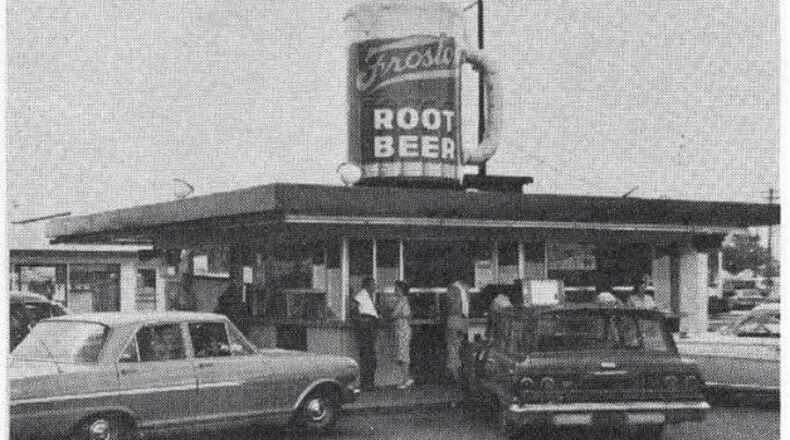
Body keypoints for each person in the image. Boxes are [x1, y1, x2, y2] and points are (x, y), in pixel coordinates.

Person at [352, 277, 380, 391]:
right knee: (367, 355)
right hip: (366, 325)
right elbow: (354, 306)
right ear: (367, 285)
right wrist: (360, 321)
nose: (375, 287)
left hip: (370, 324)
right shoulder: (362, 294)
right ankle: (366, 383)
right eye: (373, 285)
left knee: (369, 355)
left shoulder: (368, 296)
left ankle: (369, 382)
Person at [445, 280, 470, 383]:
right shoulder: (465, 287)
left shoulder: (451, 288)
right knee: (459, 346)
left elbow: (450, 305)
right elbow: (467, 304)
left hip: (454, 319)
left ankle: (454, 373)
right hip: (464, 319)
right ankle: (458, 372)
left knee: (452, 347)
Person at [392, 281, 414, 390]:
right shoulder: (403, 300)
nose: (394, 290)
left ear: (401, 290)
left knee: (403, 356)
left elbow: (394, 314)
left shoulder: (402, 301)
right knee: (402, 355)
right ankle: (404, 379)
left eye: (396, 288)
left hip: (402, 331)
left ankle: (406, 379)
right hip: (401, 330)